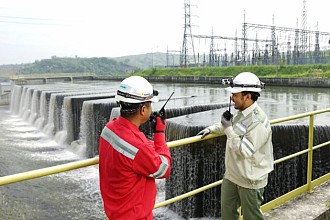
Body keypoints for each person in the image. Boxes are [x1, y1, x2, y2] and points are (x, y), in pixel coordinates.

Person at [197, 72, 274, 220]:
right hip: (233, 175)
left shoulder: (257, 121)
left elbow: (244, 150)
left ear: (247, 96)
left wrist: (227, 129)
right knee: (227, 214)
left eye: (235, 95)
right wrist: (212, 128)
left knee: (252, 217)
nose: (232, 98)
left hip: (250, 179)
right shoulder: (242, 113)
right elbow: (232, 126)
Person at [99, 76, 172, 220]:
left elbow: (137, 147)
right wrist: (159, 133)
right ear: (143, 110)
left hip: (115, 212)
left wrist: (147, 146)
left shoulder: (109, 129)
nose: (151, 109)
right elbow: (164, 169)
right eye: (150, 105)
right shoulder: (139, 148)